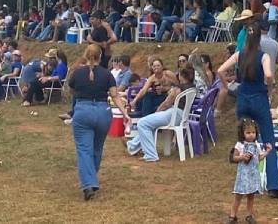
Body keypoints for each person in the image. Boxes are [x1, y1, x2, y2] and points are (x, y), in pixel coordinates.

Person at [218, 22, 278, 198]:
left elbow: (220, 70)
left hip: (243, 98)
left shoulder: (239, 55)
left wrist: (230, 87)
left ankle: (246, 183)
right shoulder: (263, 56)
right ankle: (274, 186)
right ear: (259, 38)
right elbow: (269, 75)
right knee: (268, 140)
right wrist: (268, 89)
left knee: (245, 141)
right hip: (259, 98)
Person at [67, 44, 129, 200]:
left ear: (86, 55)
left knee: (84, 149)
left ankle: (88, 184)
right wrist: (125, 113)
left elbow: (71, 90)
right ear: (100, 56)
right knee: (97, 148)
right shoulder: (108, 75)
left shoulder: (77, 73)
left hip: (83, 111)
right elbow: (115, 96)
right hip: (103, 112)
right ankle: (91, 178)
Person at [125, 65, 196, 162]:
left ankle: (150, 155)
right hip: (182, 116)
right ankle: (132, 146)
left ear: (181, 76)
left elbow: (167, 103)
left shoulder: (178, 89)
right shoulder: (192, 87)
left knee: (142, 123)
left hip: (173, 115)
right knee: (151, 124)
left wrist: (158, 111)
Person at [228, 118, 273, 224]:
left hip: (253, 174)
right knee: (238, 196)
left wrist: (267, 151)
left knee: (251, 196)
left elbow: (260, 157)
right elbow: (233, 158)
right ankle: (232, 216)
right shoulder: (240, 145)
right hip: (243, 175)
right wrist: (242, 157)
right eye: (248, 132)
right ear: (242, 133)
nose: (251, 135)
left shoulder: (256, 144)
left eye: (253, 132)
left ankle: (249, 215)